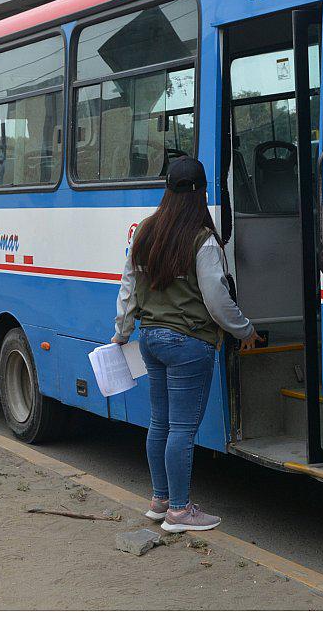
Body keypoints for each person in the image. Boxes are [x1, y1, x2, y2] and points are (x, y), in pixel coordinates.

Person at [112, 156, 261, 533]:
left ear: (167, 189)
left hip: (150, 339)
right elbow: (217, 299)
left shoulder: (145, 231)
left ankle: (160, 500)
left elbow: (128, 288)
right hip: (187, 342)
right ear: (201, 191)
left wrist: (122, 331)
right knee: (181, 429)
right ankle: (179, 511)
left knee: (159, 422)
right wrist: (245, 330)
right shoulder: (201, 238)